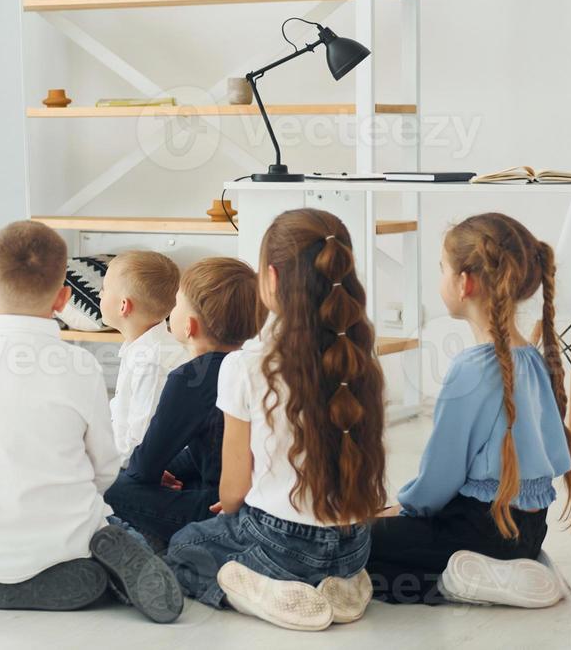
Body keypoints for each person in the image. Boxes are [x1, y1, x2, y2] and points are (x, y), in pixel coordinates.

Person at [0, 221, 184, 623]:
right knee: (105, 519)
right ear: (64, 297)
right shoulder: (80, 367)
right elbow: (103, 470)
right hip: (65, 540)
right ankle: (112, 558)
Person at [166, 209, 387, 631]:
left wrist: (230, 513)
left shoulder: (246, 364)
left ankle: (268, 590)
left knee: (184, 546)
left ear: (271, 277)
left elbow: (234, 490)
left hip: (281, 542)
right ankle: (341, 580)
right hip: (355, 543)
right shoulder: (359, 354)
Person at [366, 213, 571, 607]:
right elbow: (554, 456)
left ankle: (467, 579)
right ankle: (522, 568)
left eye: (441, 270)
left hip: (477, 529)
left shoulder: (471, 369)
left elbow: (439, 477)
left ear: (464, 283)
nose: (439, 280)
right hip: (531, 529)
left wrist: (403, 509)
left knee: (348, 543)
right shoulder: (534, 359)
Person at [104, 257, 263, 548]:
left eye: (175, 305)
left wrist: (147, 471)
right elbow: (205, 450)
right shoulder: (252, 365)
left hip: (218, 510)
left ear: (189, 326)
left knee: (108, 484)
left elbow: (144, 466)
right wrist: (168, 470)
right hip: (248, 496)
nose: (170, 311)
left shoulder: (191, 378)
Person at [101, 251, 188, 458]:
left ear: (124, 306)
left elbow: (141, 441)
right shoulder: (139, 348)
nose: (99, 294)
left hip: (143, 466)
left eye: (104, 289)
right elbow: (120, 416)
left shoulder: (152, 361)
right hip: (128, 458)